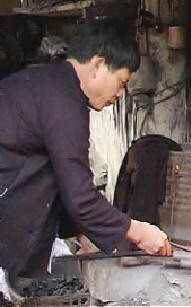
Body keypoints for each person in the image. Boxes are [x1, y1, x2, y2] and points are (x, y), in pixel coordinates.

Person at [0, 18, 172, 290]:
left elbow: (60, 179)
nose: (120, 93)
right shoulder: (63, 104)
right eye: (121, 81)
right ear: (99, 65)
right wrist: (138, 232)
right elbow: (80, 196)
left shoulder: (49, 86)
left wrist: (83, 232)